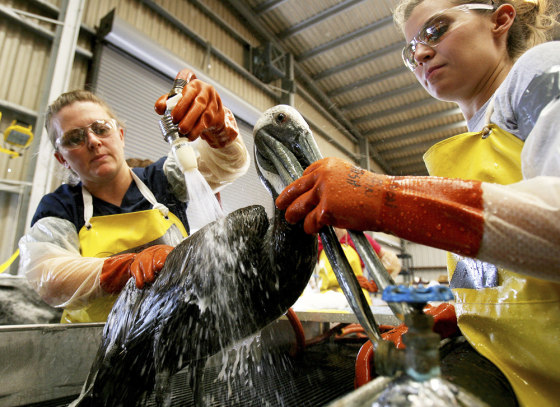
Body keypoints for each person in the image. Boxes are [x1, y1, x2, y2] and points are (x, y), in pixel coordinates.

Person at [276, 1, 560, 405]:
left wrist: (386, 198)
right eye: (411, 50)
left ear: (500, 18)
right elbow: (501, 272)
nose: (421, 53)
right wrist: (461, 313)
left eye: (435, 30)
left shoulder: (539, 70)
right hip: (506, 364)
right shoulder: (471, 147)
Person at [18, 69, 250, 324]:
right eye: (75, 138)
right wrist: (127, 268)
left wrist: (218, 129)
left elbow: (227, 164)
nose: (93, 141)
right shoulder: (60, 206)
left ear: (120, 135)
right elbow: (48, 276)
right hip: (92, 348)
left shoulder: (163, 180)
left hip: (177, 332)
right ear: (62, 158)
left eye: (101, 128)